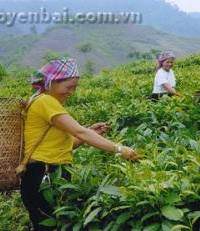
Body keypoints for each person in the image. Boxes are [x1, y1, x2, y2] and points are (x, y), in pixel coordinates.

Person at [19, 58, 140, 230]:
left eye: (75, 87)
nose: (72, 92)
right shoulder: (46, 101)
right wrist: (119, 149)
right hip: (43, 175)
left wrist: (90, 133)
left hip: (48, 172)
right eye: (68, 87)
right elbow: (79, 131)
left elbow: (66, 145)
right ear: (51, 83)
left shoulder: (42, 101)